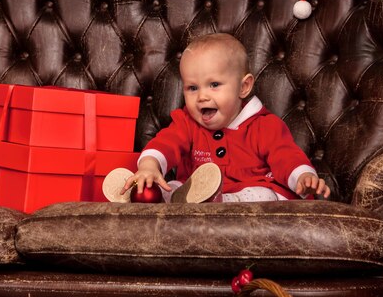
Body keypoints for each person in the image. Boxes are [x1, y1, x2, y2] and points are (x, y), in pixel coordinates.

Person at [104, 33, 331, 203]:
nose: (202, 96)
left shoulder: (264, 125)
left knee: (263, 196)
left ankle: (221, 203)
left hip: (250, 195)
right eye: (192, 88)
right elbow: (166, 143)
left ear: (243, 87)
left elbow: (286, 156)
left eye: (214, 85)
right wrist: (150, 166)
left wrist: (303, 176)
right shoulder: (187, 122)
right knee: (171, 186)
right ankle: (142, 194)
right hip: (194, 192)